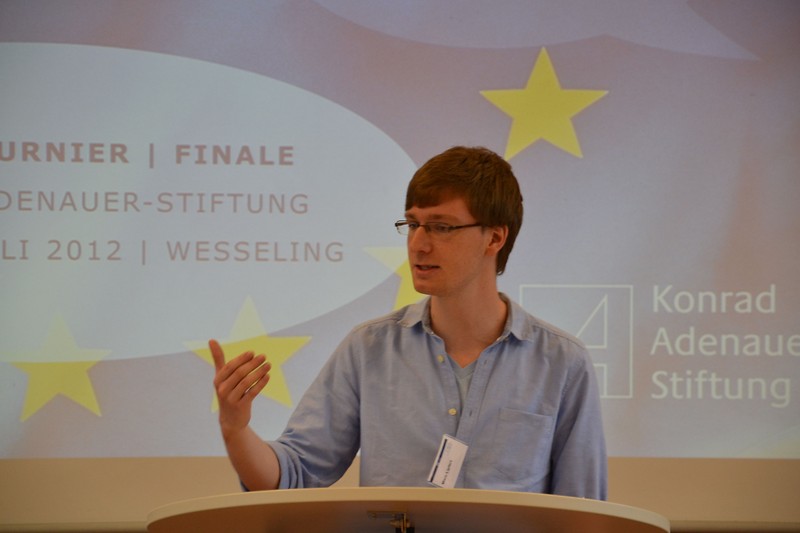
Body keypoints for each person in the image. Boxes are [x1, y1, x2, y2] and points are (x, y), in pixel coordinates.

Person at [210, 146, 607, 499]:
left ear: (494, 238)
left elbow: (583, 513)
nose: (418, 244)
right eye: (413, 224)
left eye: (441, 227)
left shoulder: (562, 362)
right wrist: (235, 429)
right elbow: (292, 476)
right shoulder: (369, 349)